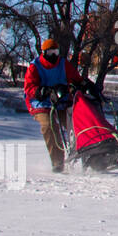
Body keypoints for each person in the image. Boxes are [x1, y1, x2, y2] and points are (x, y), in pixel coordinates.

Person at [24, 39, 86, 173]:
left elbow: (76, 79)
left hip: (62, 101)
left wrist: (84, 85)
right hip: (41, 103)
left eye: (56, 52)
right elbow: (29, 88)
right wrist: (43, 91)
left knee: (76, 124)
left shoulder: (63, 64)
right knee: (49, 125)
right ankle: (57, 162)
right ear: (44, 52)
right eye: (50, 52)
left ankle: (91, 156)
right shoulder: (35, 66)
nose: (53, 55)